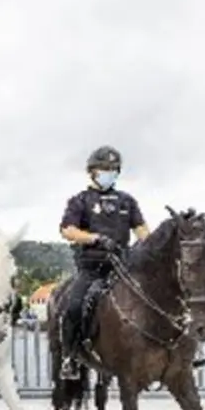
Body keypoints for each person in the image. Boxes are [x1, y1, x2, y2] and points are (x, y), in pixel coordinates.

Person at [57, 145, 150, 380]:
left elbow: (142, 230)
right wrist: (94, 238)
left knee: (159, 299)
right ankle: (71, 357)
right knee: (74, 306)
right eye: (104, 169)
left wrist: (150, 246)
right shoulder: (80, 200)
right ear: (92, 172)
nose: (109, 172)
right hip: (92, 268)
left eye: (113, 169)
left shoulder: (127, 201)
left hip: (123, 267)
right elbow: (67, 230)